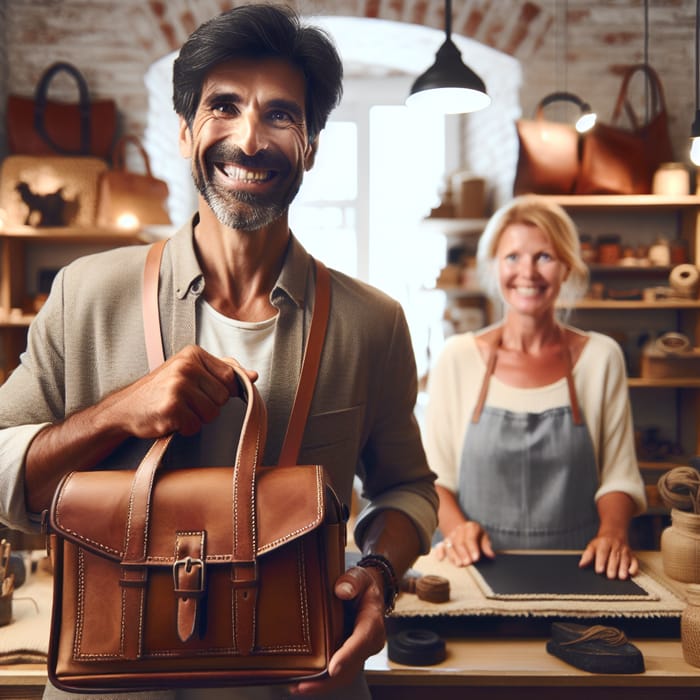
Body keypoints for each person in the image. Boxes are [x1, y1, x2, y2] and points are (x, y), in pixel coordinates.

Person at [0, 5, 438, 699]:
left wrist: (379, 576)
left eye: (281, 116)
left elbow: (409, 490)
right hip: (109, 682)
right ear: (183, 132)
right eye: (223, 107)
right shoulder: (85, 294)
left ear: (314, 144)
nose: (249, 139)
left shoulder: (373, 323)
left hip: (306, 680)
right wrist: (117, 414)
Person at [424, 194, 646, 581]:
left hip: (580, 571)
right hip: (476, 572)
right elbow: (434, 480)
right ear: (493, 267)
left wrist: (613, 533)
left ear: (567, 268)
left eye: (544, 256)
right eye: (512, 257)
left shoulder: (600, 357)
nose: (527, 272)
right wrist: (458, 529)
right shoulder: (457, 358)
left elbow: (619, 476)